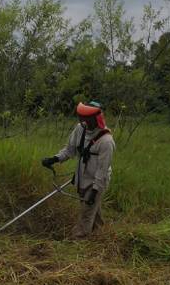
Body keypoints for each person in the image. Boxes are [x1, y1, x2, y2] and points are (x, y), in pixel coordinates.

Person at [41, 101, 116, 238]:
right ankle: (101, 235)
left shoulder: (106, 141)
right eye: (81, 117)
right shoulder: (80, 129)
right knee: (92, 209)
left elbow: (102, 170)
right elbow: (69, 150)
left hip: (97, 180)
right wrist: (54, 159)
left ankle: (78, 240)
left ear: (96, 118)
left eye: (86, 118)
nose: (83, 121)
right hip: (82, 176)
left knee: (87, 212)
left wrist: (95, 191)